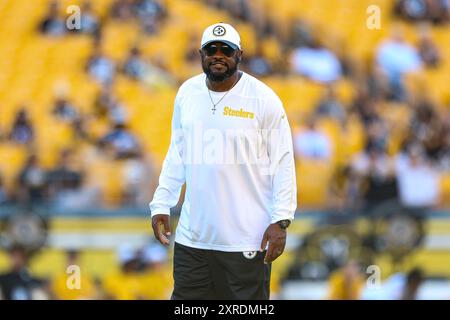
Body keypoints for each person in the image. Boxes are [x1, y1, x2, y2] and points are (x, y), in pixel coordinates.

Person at [149, 22, 297, 300]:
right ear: (201, 54)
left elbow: (283, 161)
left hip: (246, 240)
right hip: (193, 240)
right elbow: (178, 151)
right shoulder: (187, 93)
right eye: (211, 49)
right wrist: (162, 202)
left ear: (239, 54)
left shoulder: (263, 99)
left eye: (226, 50)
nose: (218, 55)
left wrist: (281, 219)